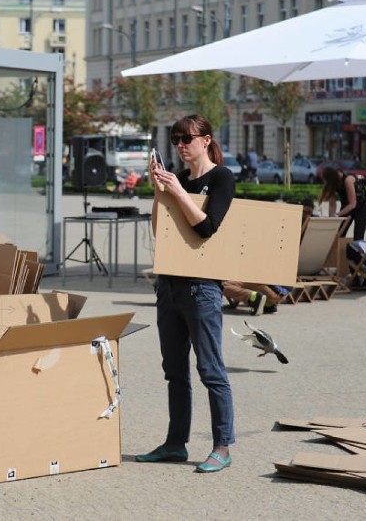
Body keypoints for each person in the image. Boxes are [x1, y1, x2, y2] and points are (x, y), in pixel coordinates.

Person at [137, 114, 236, 474]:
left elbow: (207, 227)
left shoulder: (221, 178)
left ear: (206, 140)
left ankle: (222, 446)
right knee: (174, 371)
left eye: (187, 139)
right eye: (176, 140)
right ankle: (175, 444)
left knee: (211, 369)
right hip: (170, 285)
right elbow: (159, 229)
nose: (180, 145)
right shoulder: (177, 178)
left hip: (202, 286)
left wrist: (178, 193)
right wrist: (159, 192)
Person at [319, 166, 366, 241]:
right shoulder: (332, 185)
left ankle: (359, 251)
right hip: (347, 206)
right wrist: (331, 219)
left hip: (362, 207)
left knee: (358, 235)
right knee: (339, 233)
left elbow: (353, 204)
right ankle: (337, 251)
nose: (325, 183)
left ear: (331, 179)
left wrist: (337, 214)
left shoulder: (348, 180)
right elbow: (332, 205)